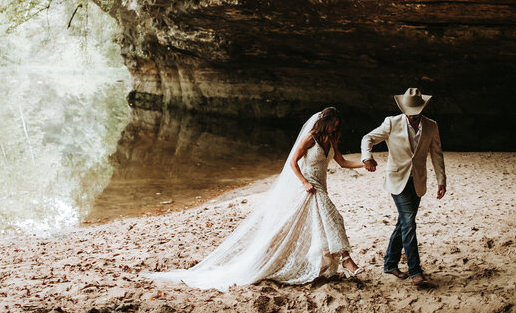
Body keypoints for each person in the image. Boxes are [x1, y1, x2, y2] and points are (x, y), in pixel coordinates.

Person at [143, 107, 365, 291]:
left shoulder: (331, 140)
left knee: (303, 227)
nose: (336, 127)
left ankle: (300, 259)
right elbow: (292, 163)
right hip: (308, 188)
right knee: (331, 218)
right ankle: (346, 260)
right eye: (333, 123)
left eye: (337, 124)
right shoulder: (310, 138)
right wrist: (304, 182)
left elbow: (343, 162)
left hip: (320, 188)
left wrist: (365, 163)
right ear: (324, 122)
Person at [361, 88, 447, 287]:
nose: (413, 114)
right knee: (409, 222)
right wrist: (367, 156)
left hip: (417, 180)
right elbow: (368, 138)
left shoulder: (431, 126)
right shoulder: (391, 122)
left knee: (404, 222)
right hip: (396, 179)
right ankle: (415, 271)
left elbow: (437, 154)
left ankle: (390, 263)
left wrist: (441, 180)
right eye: (410, 110)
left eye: (416, 110)